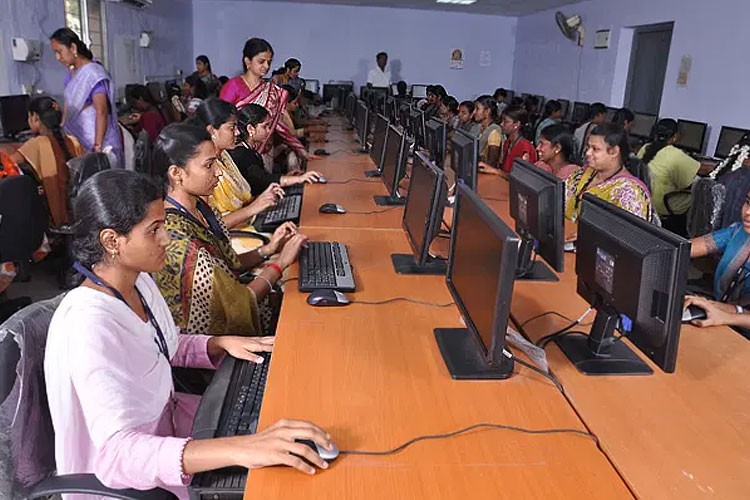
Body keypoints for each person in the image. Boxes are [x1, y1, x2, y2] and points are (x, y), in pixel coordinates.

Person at [45, 168, 333, 499]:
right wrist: (240, 448)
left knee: (284, 418)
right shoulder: (88, 325)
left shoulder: (136, 281)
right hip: (137, 479)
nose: (166, 238)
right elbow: (118, 456)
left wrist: (217, 343)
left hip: (172, 427)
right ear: (112, 241)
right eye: (154, 230)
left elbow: (154, 345)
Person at [152, 123, 308, 338]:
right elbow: (240, 304)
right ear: (177, 174)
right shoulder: (179, 242)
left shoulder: (202, 209)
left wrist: (269, 249)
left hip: (237, 300)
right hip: (214, 341)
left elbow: (228, 265)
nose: (218, 173)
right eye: (209, 165)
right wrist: (280, 263)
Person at [190, 98, 283, 230]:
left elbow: (243, 200)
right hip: (231, 237)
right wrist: (253, 208)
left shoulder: (225, 156)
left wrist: (264, 197)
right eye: (232, 128)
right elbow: (209, 226)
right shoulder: (202, 169)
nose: (238, 132)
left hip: (249, 223)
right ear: (212, 131)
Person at [220, 38, 312, 163]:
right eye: (261, 62)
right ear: (248, 61)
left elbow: (278, 124)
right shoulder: (233, 86)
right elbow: (221, 121)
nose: (266, 66)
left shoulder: (272, 91)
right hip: (236, 153)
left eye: (269, 62)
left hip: (265, 153)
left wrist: (300, 150)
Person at [50, 28, 123, 167]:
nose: (57, 58)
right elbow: (68, 103)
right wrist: (62, 128)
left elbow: (101, 111)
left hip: (99, 141)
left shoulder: (93, 73)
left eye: (59, 52)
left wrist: (97, 146)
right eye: (55, 53)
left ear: (73, 47)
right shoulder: (70, 74)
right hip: (78, 141)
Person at [9, 96, 83, 226]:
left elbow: (9, 163)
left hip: (57, 217)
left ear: (35, 118)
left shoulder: (37, 144)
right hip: (78, 212)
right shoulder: (73, 141)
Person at [565, 123, 652, 222]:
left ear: (614, 152)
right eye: (588, 147)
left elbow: (627, 235)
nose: (588, 153)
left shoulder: (630, 194)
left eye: (595, 149)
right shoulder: (582, 174)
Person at [230, 104, 323, 194]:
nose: (269, 130)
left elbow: (260, 179)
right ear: (250, 128)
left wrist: (286, 177)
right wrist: (298, 179)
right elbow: (262, 181)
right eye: (265, 126)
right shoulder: (241, 154)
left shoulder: (248, 149)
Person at [688, 188, 750, 306]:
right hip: (718, 308)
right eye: (748, 202)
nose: (747, 212)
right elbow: (687, 248)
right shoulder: (738, 232)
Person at [637, 118, 706, 216]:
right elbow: (690, 180)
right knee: (701, 193)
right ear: (675, 136)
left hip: (644, 201)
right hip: (662, 206)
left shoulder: (645, 147)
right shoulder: (675, 154)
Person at [482, 105, 537, 175]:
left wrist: (496, 171)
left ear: (516, 124)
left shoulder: (525, 147)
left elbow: (521, 177)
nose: (501, 124)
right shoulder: (508, 142)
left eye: (506, 122)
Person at [473, 95, 503, 171]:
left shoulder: (494, 131)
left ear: (487, 112)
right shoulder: (478, 127)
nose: (474, 112)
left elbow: (492, 162)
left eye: (477, 109)